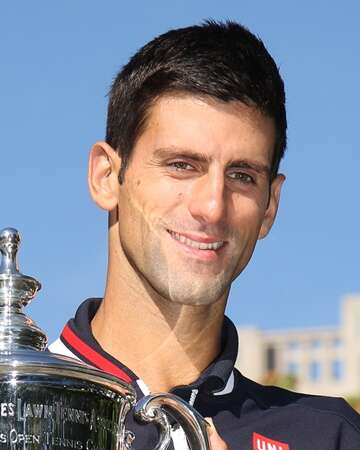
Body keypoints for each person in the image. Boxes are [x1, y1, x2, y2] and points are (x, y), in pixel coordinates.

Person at [49, 20, 360, 449]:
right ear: (106, 176)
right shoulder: (19, 405)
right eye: (182, 165)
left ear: (270, 206)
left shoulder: (329, 435)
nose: (212, 206)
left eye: (242, 176)